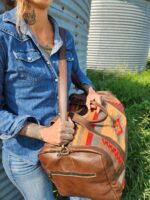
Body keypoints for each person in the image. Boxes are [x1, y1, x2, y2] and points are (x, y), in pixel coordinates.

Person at [0, 0, 101, 199]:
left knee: (84, 195)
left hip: (67, 145)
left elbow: (77, 74)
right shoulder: (4, 35)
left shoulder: (64, 36)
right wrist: (43, 132)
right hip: (25, 155)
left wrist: (89, 90)